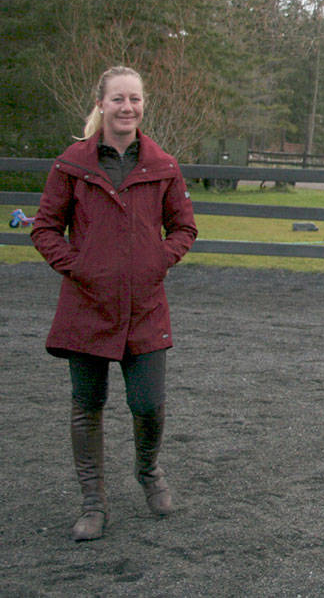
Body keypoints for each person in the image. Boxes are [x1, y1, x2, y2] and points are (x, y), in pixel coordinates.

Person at [30, 66, 198, 541]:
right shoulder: (72, 164)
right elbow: (44, 228)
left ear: (143, 106)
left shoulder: (162, 165)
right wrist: (79, 266)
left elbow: (184, 227)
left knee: (148, 404)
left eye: (135, 100)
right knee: (88, 405)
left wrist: (157, 261)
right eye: (118, 99)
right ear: (101, 104)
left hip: (145, 305)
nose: (127, 107)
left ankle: (149, 472)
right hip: (86, 305)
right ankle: (92, 503)